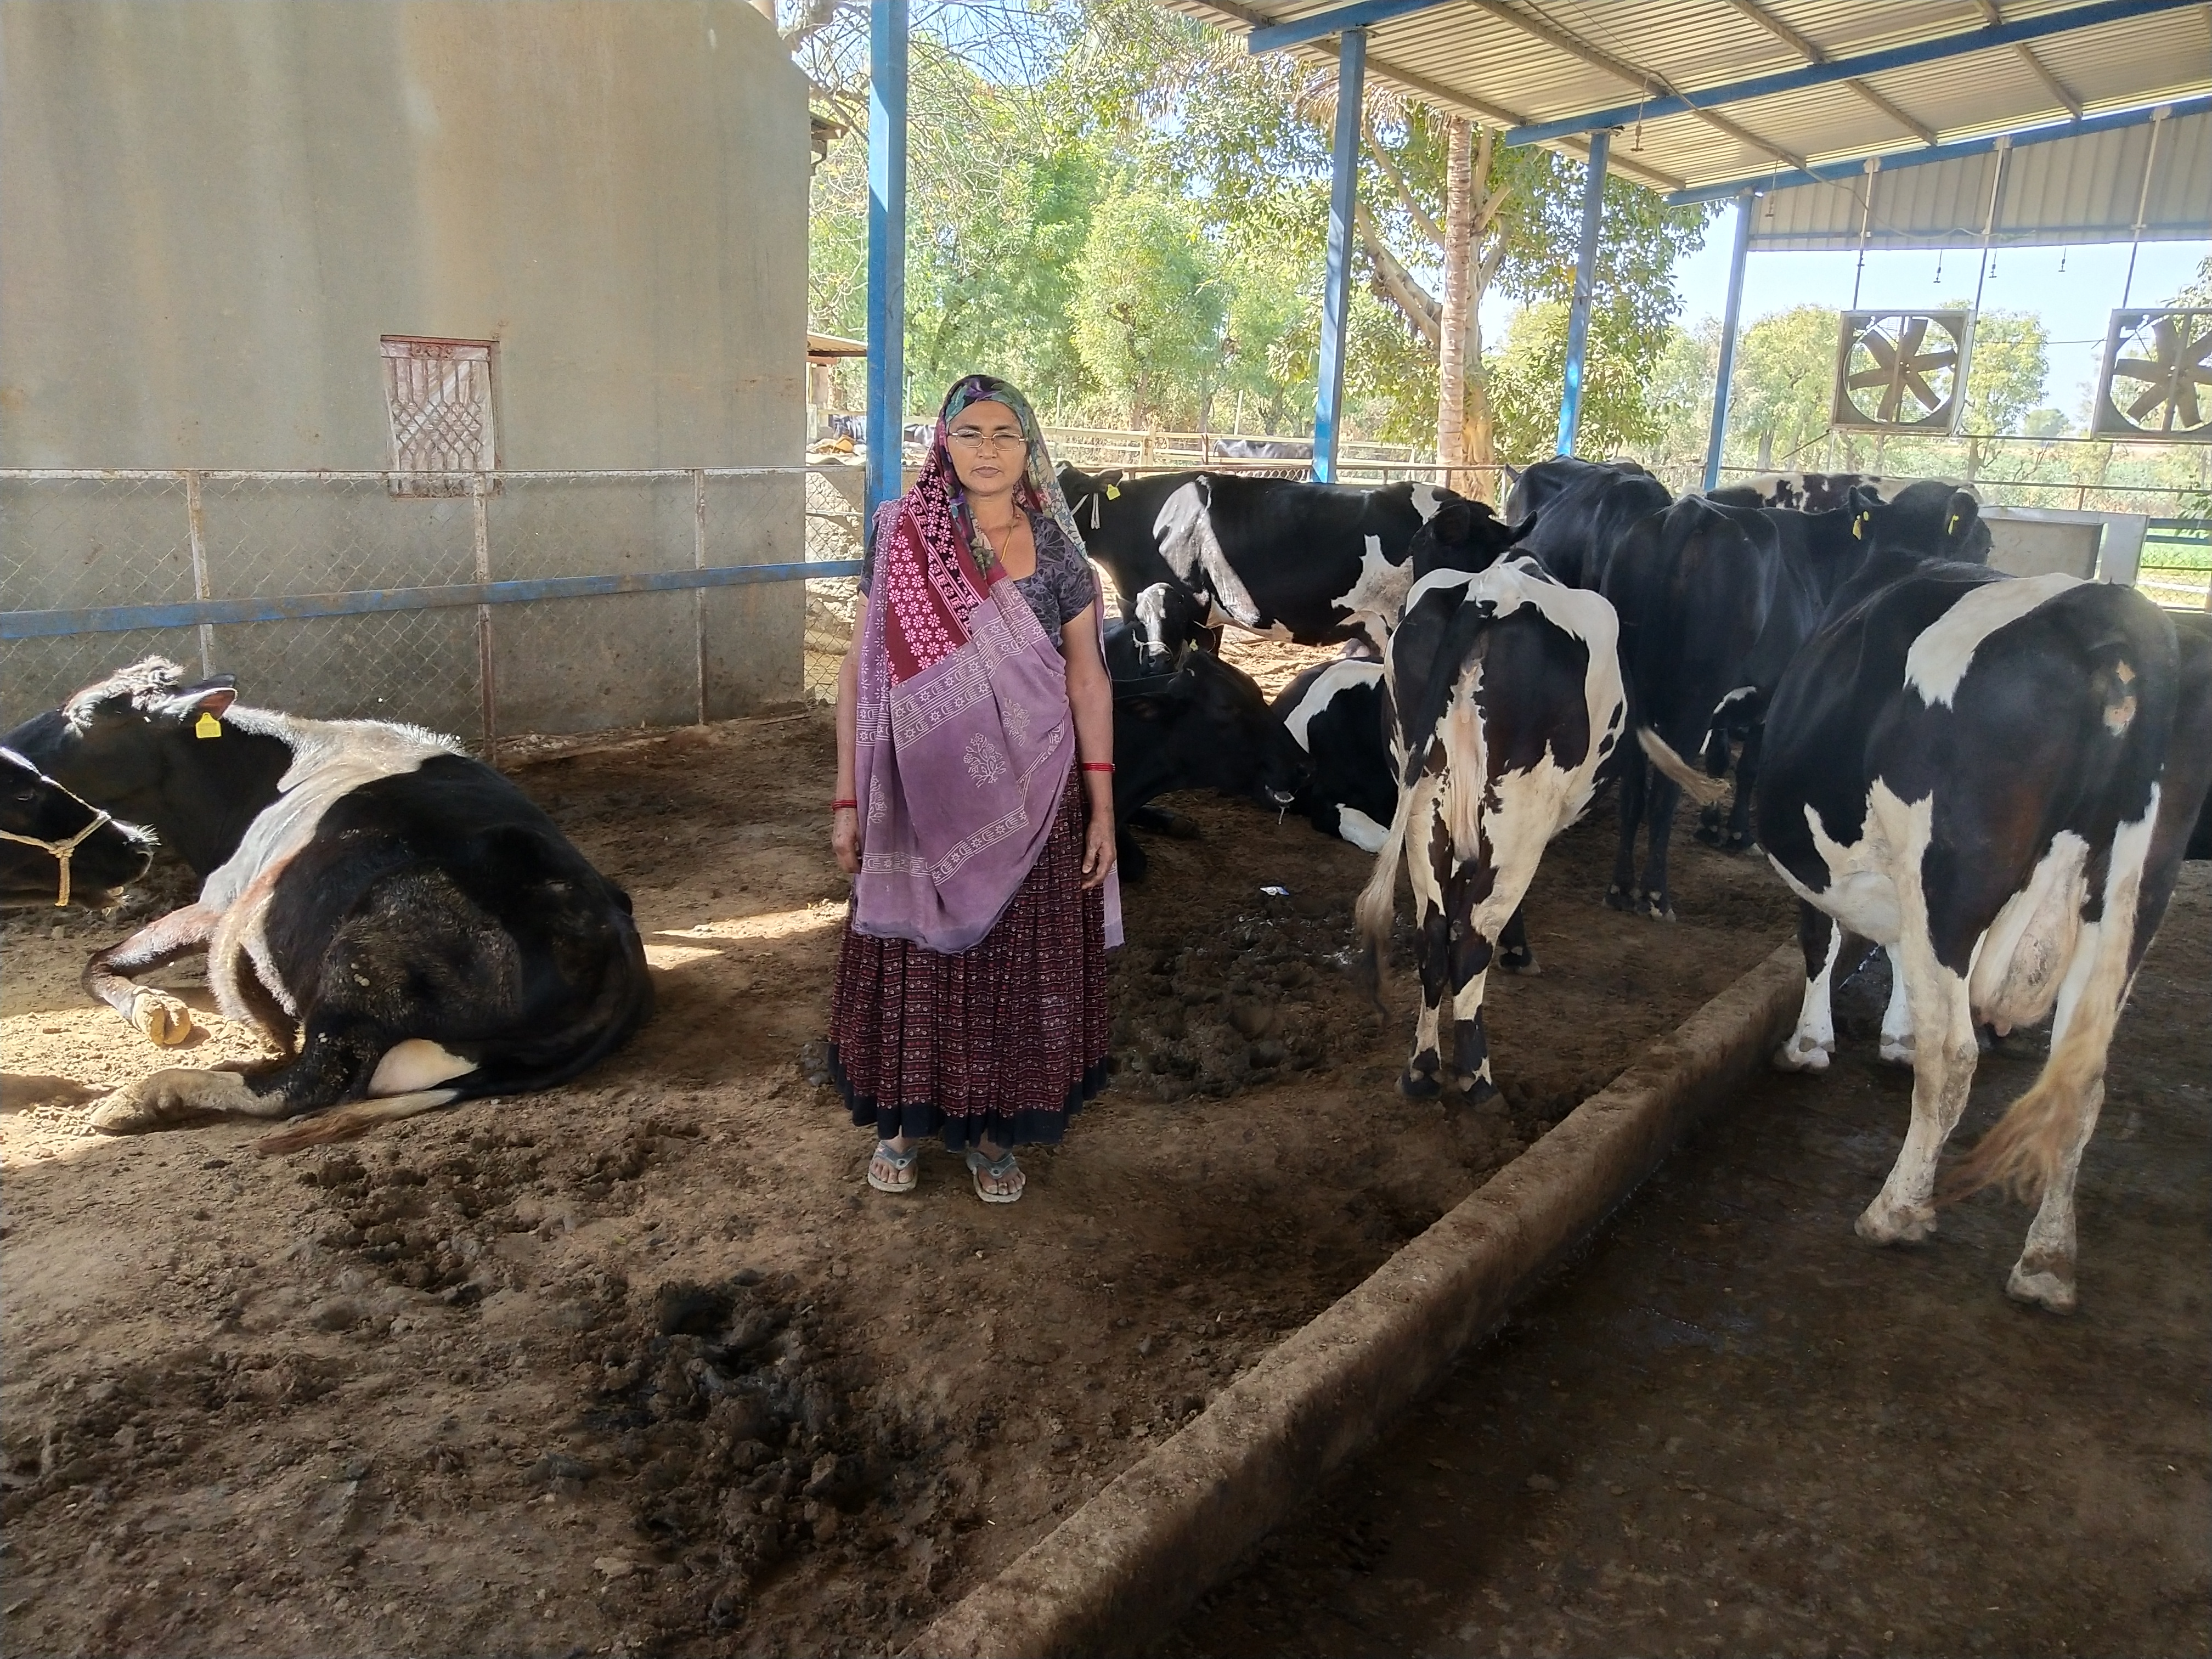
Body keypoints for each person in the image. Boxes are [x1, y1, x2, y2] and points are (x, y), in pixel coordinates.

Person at [825, 374, 1120, 1204]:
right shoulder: (898, 534)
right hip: (918, 794)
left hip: (1036, 795)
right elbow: (860, 665)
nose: (987, 451)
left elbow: (1088, 680)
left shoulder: (1062, 554)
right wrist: (848, 795)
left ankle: (995, 1132)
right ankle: (903, 1122)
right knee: (913, 953)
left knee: (1015, 965)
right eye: (971, 434)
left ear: (1030, 450)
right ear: (943, 445)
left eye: (1005, 435)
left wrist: (1102, 804)